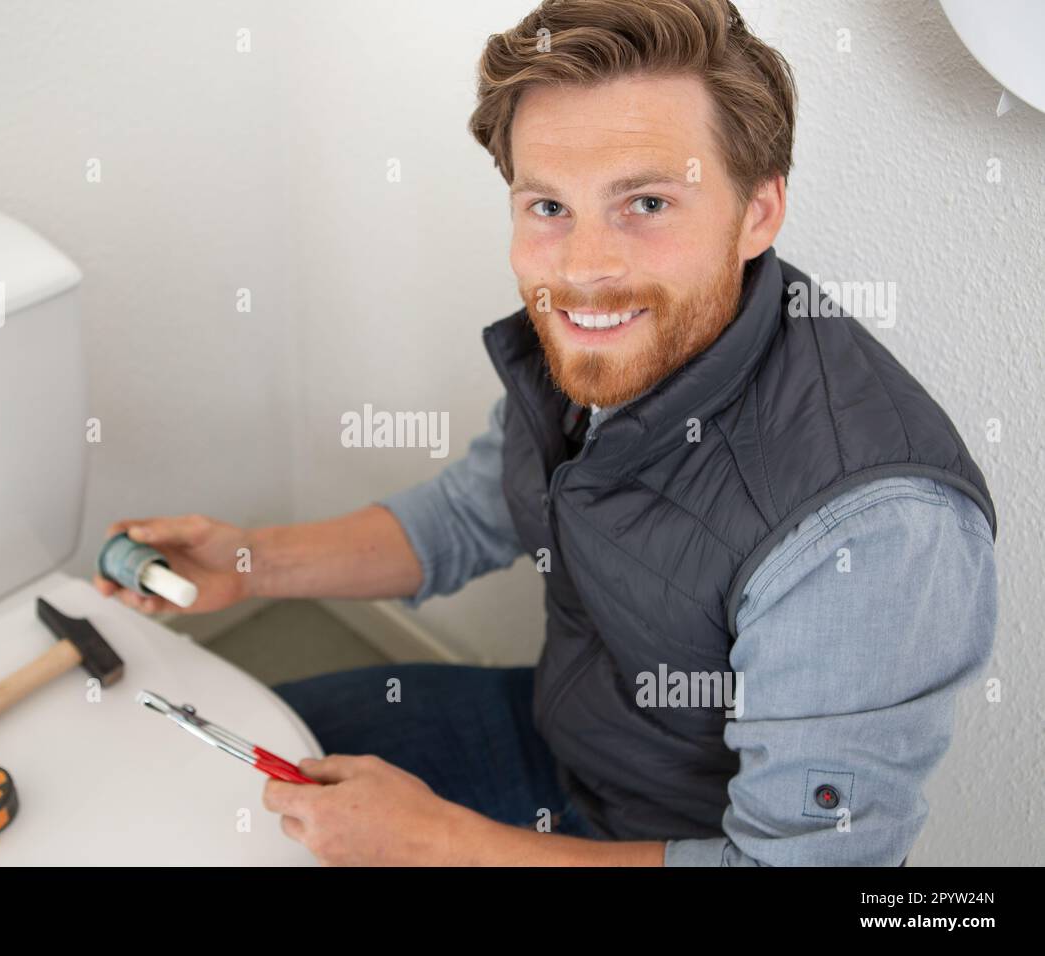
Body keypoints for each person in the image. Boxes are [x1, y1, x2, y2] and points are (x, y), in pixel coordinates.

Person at [95, 0, 997, 866]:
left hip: (665, 838)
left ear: (758, 210)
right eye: (548, 207)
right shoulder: (600, 349)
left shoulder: (873, 527)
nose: (582, 272)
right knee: (190, 777)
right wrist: (249, 561)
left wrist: (439, 847)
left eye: (646, 203)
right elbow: (470, 514)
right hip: (557, 741)